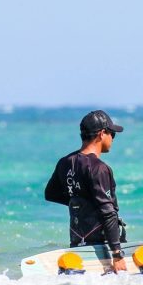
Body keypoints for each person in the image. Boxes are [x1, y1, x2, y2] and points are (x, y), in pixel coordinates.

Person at [45, 110, 127, 273]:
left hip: (77, 242)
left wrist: (82, 201)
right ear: (102, 133)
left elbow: (51, 194)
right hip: (101, 246)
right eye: (112, 134)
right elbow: (108, 212)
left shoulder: (65, 162)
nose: (112, 139)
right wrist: (117, 254)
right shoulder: (99, 168)